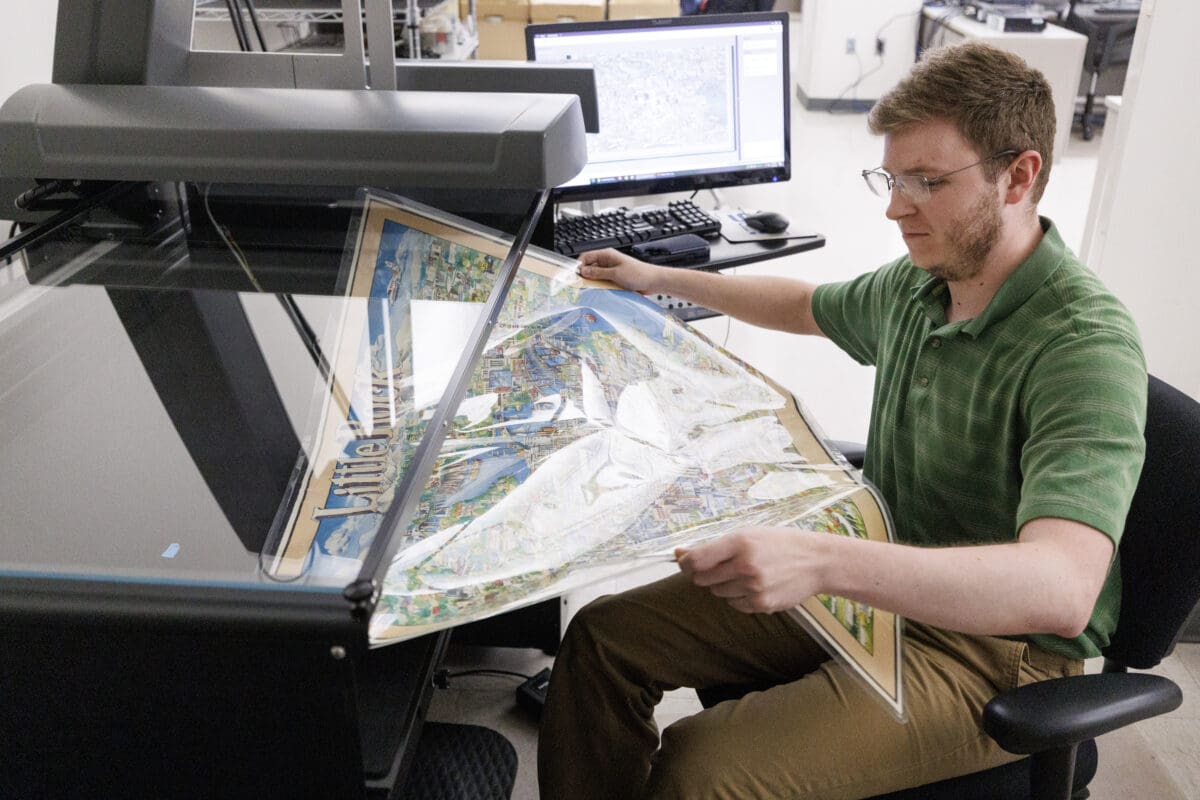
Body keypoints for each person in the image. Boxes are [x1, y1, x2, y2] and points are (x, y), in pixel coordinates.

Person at [538, 40, 1148, 799]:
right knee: (602, 640)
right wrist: (653, 278)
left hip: (990, 652)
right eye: (893, 180)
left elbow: (1058, 588)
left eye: (927, 181)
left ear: (1019, 176)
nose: (896, 208)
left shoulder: (1082, 346)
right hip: (880, 585)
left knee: (700, 768)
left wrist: (823, 561)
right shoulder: (925, 283)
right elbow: (803, 305)